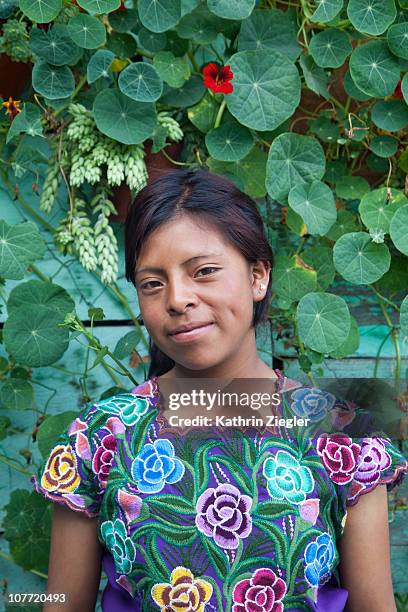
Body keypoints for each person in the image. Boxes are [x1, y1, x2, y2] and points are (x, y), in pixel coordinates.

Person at [31, 168, 408, 611]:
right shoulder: (100, 438)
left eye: (204, 271)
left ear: (258, 276)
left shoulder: (341, 434)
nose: (177, 299)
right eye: (153, 284)